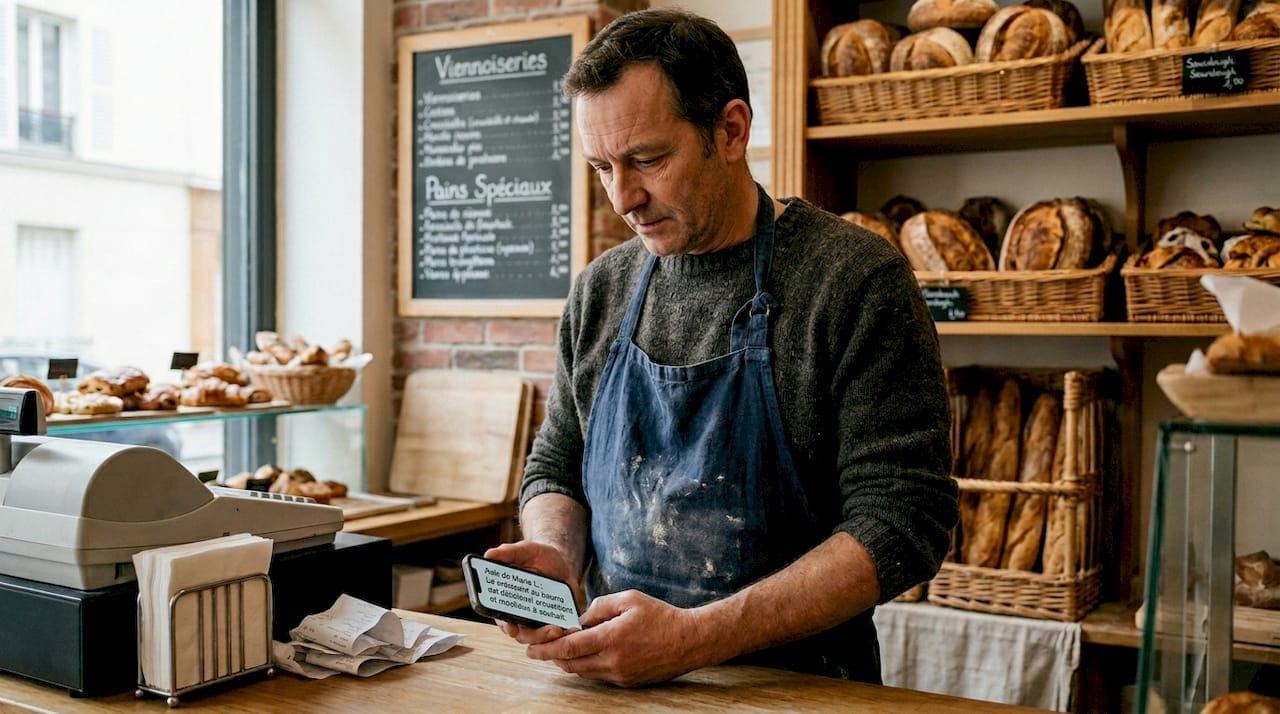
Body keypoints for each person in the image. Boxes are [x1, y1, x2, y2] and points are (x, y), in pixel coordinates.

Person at [484, 7, 957, 688]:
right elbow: (557, 461)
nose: (623, 197)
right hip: (616, 685)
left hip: (800, 689)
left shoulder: (852, 279)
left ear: (730, 130)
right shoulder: (601, 291)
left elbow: (905, 519)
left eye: (648, 160)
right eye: (601, 167)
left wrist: (696, 638)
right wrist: (557, 553)